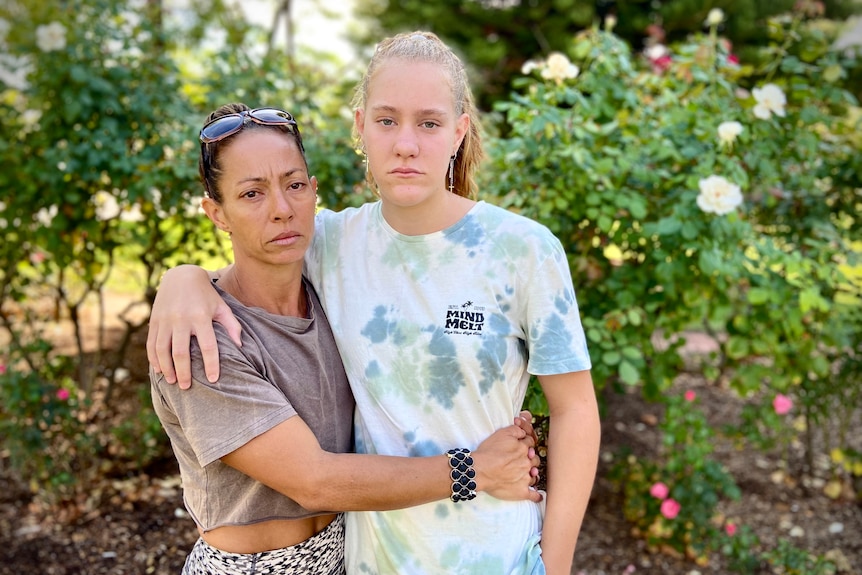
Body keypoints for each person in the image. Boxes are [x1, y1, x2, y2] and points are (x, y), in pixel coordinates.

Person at [149, 31, 601, 575]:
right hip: (370, 560)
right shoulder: (332, 244)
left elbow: (576, 410)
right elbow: (252, 264)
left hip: (497, 553)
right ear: (360, 127)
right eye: (387, 120)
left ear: (459, 132)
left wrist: (556, 566)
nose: (406, 143)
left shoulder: (523, 251)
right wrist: (183, 280)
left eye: (429, 122)